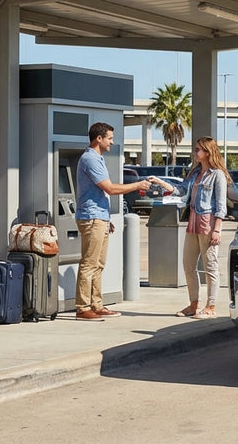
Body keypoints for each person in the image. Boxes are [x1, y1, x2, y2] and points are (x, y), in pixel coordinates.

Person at [75, 122, 152, 321]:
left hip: (99, 216)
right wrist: (137, 185)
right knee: (89, 264)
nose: (112, 141)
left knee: (99, 263)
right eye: (109, 138)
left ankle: (97, 305)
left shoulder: (98, 159)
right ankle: (83, 308)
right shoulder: (90, 159)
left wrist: (106, 218)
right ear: (98, 138)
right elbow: (109, 188)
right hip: (91, 217)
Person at [154, 136, 230, 319]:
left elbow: (221, 205)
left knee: (210, 265)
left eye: (199, 149)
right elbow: (181, 191)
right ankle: (193, 304)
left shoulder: (217, 174)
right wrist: (161, 182)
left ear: (208, 152)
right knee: (188, 265)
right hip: (193, 221)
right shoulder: (195, 173)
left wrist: (217, 229)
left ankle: (210, 307)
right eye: (195, 149)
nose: (195, 152)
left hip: (208, 223)